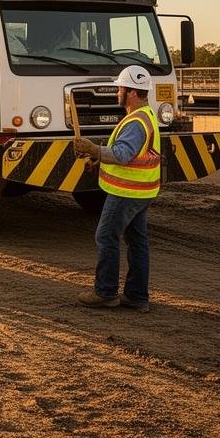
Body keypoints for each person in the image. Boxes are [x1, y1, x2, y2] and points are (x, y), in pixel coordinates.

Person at [73, 65, 160, 312]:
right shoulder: (146, 116)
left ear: (131, 92)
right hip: (143, 191)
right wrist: (99, 159)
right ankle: (136, 297)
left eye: (120, 88)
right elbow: (134, 155)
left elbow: (123, 155)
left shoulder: (134, 122)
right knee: (138, 243)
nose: (117, 92)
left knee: (105, 236)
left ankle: (106, 292)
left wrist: (93, 149)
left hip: (126, 192)